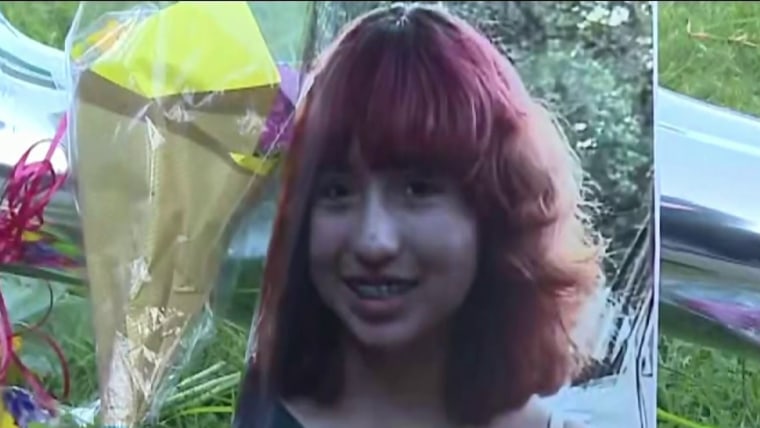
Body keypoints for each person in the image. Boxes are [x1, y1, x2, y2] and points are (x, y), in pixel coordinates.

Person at [233, 3, 603, 428]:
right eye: (337, 191)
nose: (373, 241)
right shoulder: (250, 411)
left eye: (418, 189)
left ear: (498, 214)